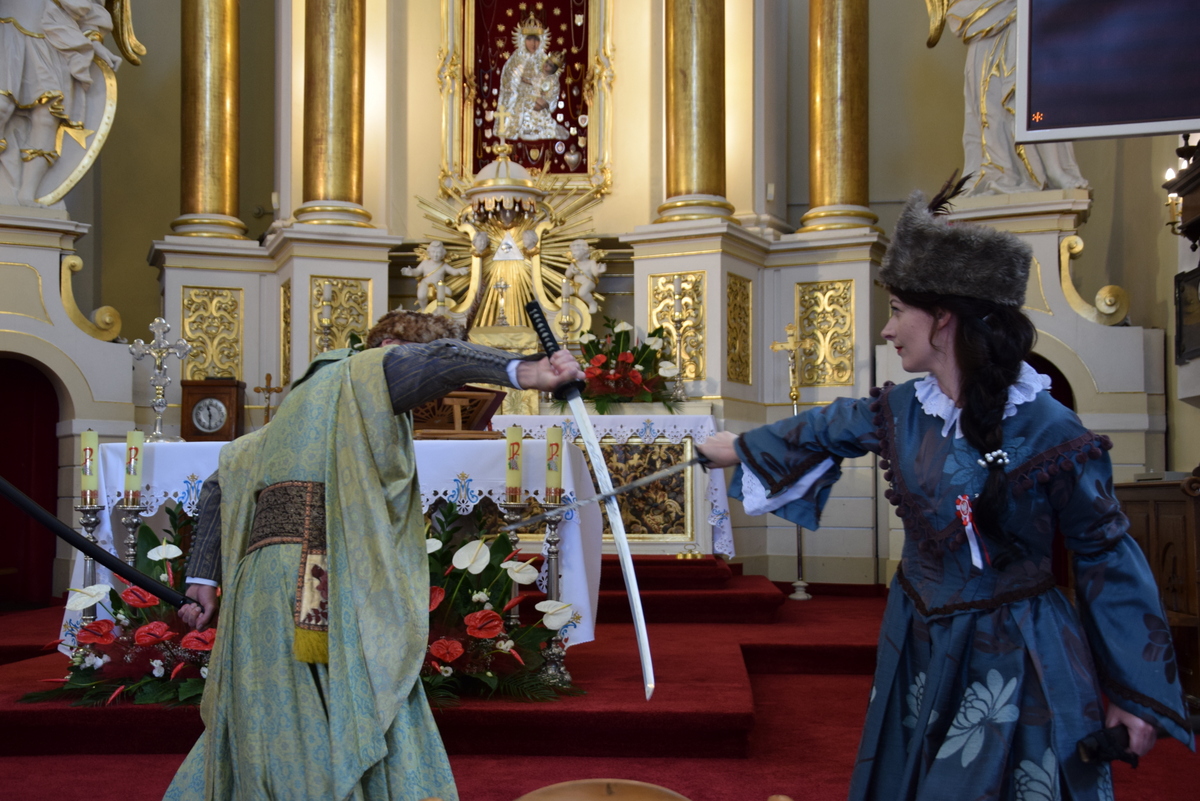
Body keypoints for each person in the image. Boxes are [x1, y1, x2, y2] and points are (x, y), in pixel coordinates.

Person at [698, 184, 1192, 800]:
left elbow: (1106, 554)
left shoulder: (1051, 429)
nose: (886, 329)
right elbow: (827, 426)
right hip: (917, 638)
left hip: (1013, 650)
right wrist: (739, 446)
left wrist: (1134, 692)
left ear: (944, 318)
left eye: (897, 310)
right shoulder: (903, 409)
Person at [167, 307, 584, 801]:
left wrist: (202, 579)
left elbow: (224, 477)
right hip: (316, 578)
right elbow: (441, 358)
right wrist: (529, 372)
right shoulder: (364, 371)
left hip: (259, 582)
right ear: (390, 350)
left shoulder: (302, 404)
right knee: (348, 704)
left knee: (272, 715)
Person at [927, 0, 1088, 196]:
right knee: (995, 106)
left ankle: (1053, 170)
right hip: (986, 27)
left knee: (1032, 94)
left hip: (1025, 19)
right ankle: (1006, 171)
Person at [0, 0, 120, 206]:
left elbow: (87, 7)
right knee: (2, 107)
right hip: (7, 34)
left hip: (48, 37)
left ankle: (28, 193)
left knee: (47, 116)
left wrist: (94, 42)